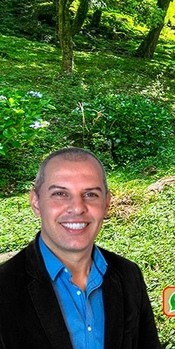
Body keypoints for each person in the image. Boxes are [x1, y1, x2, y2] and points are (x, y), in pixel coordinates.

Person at [0, 147, 161, 349]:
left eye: (91, 194)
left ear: (106, 203)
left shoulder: (129, 275)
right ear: (36, 203)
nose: (77, 208)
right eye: (60, 193)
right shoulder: (4, 286)